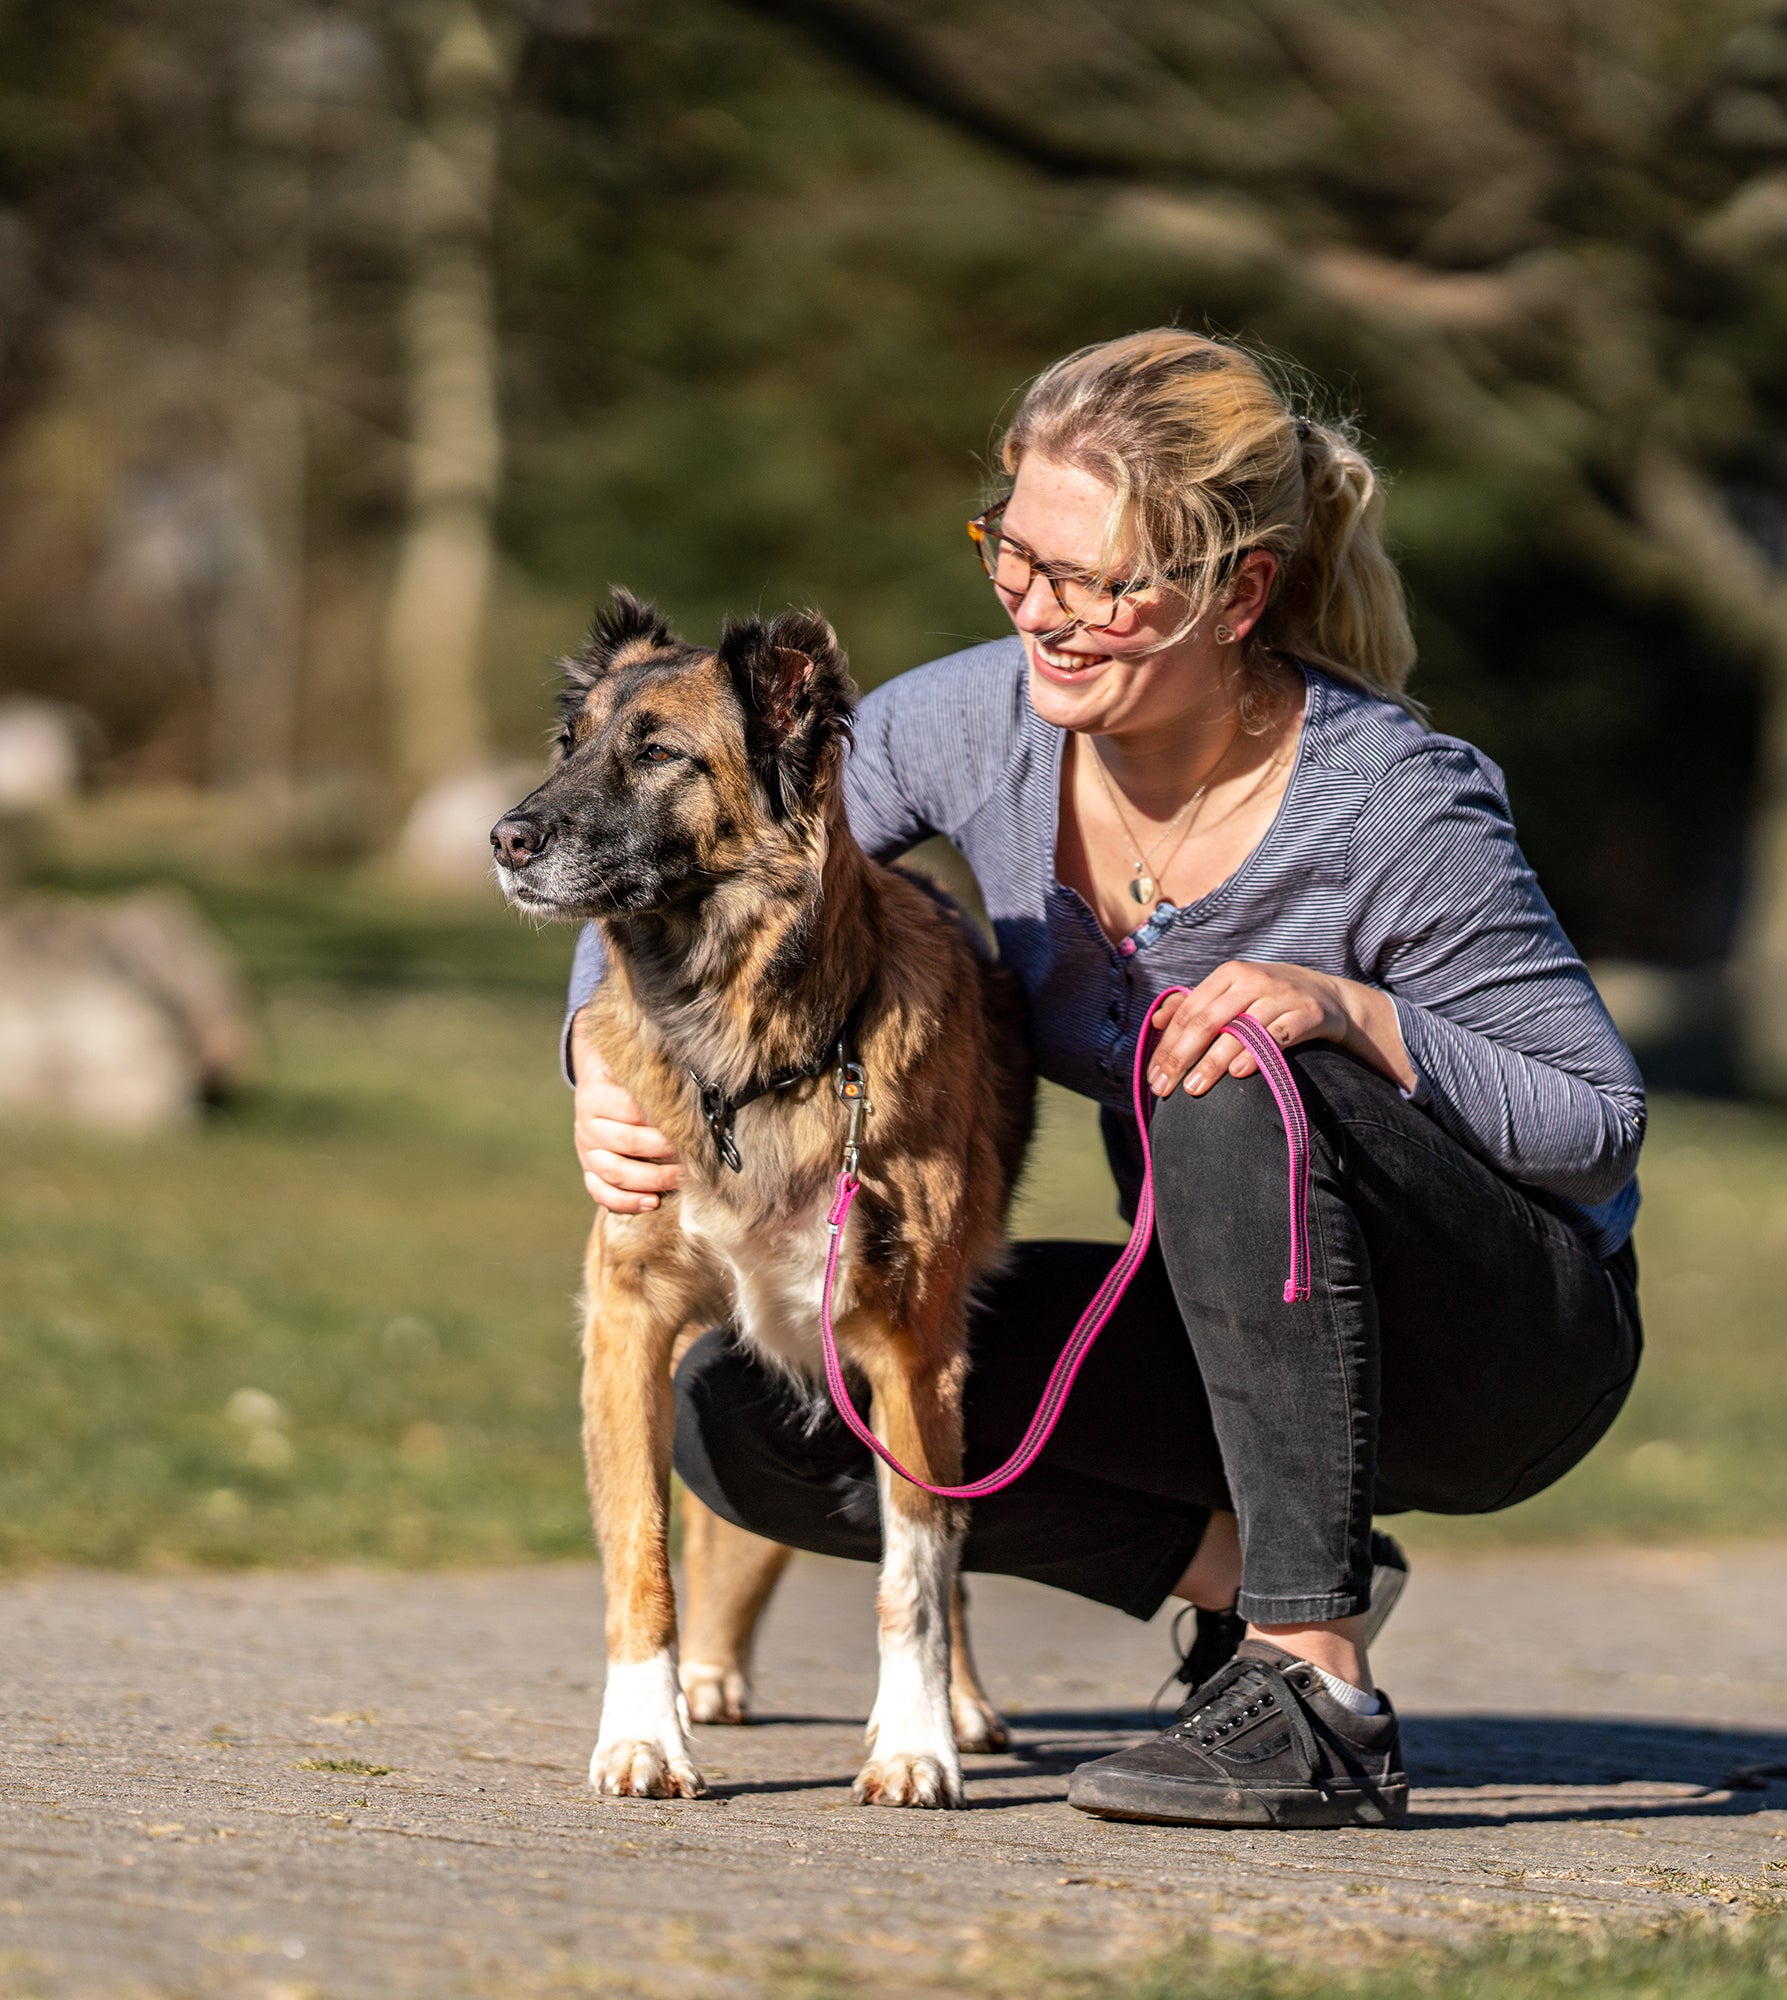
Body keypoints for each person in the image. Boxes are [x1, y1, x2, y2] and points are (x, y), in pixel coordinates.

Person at [564, 330, 1644, 1830]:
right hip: (1231, 1329)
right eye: (1016, 555)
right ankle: (1254, 1569)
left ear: (1237, 593)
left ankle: (1311, 1690)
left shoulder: (1395, 800)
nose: (1044, 615)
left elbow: (1598, 1124)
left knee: (1219, 1060)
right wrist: (594, 1071)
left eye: (1103, 584)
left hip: (1497, 1348)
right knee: (750, 1425)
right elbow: (699, 840)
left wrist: (1348, 1010)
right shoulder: (979, 721)